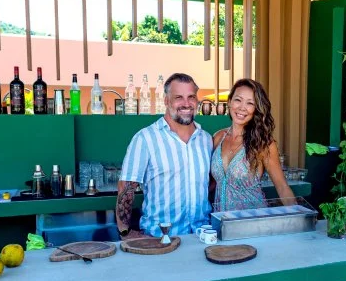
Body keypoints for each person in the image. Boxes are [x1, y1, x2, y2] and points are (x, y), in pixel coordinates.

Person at [116, 73, 213, 238]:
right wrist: (125, 232)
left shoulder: (206, 139)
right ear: (166, 101)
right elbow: (125, 189)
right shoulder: (145, 138)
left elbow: (209, 184)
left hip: (201, 237)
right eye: (178, 97)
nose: (186, 104)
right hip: (159, 240)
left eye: (191, 97)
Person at [211, 78, 295, 212]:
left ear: (256, 109)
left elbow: (282, 187)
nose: (242, 108)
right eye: (238, 100)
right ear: (229, 102)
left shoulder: (263, 143)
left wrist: (299, 218)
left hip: (253, 222)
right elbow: (211, 183)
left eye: (250, 103)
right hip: (221, 223)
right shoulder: (218, 137)